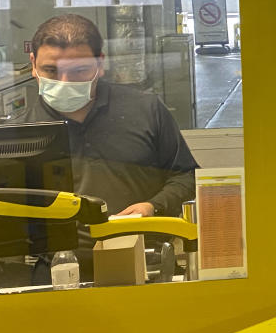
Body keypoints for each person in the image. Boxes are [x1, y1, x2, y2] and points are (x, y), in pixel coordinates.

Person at [25, 14, 197, 220]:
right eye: (51, 70)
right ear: (33, 64)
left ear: (100, 64)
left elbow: (188, 177)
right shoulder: (21, 132)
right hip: (57, 251)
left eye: (79, 70)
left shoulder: (145, 110)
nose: (65, 82)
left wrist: (153, 206)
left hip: (140, 242)